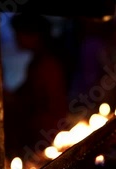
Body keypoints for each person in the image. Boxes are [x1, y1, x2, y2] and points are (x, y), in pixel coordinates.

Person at [4, 13, 70, 154]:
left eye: (19, 33)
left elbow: (48, 105)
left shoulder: (47, 66)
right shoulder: (37, 62)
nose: (16, 39)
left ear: (35, 35)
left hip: (45, 135)